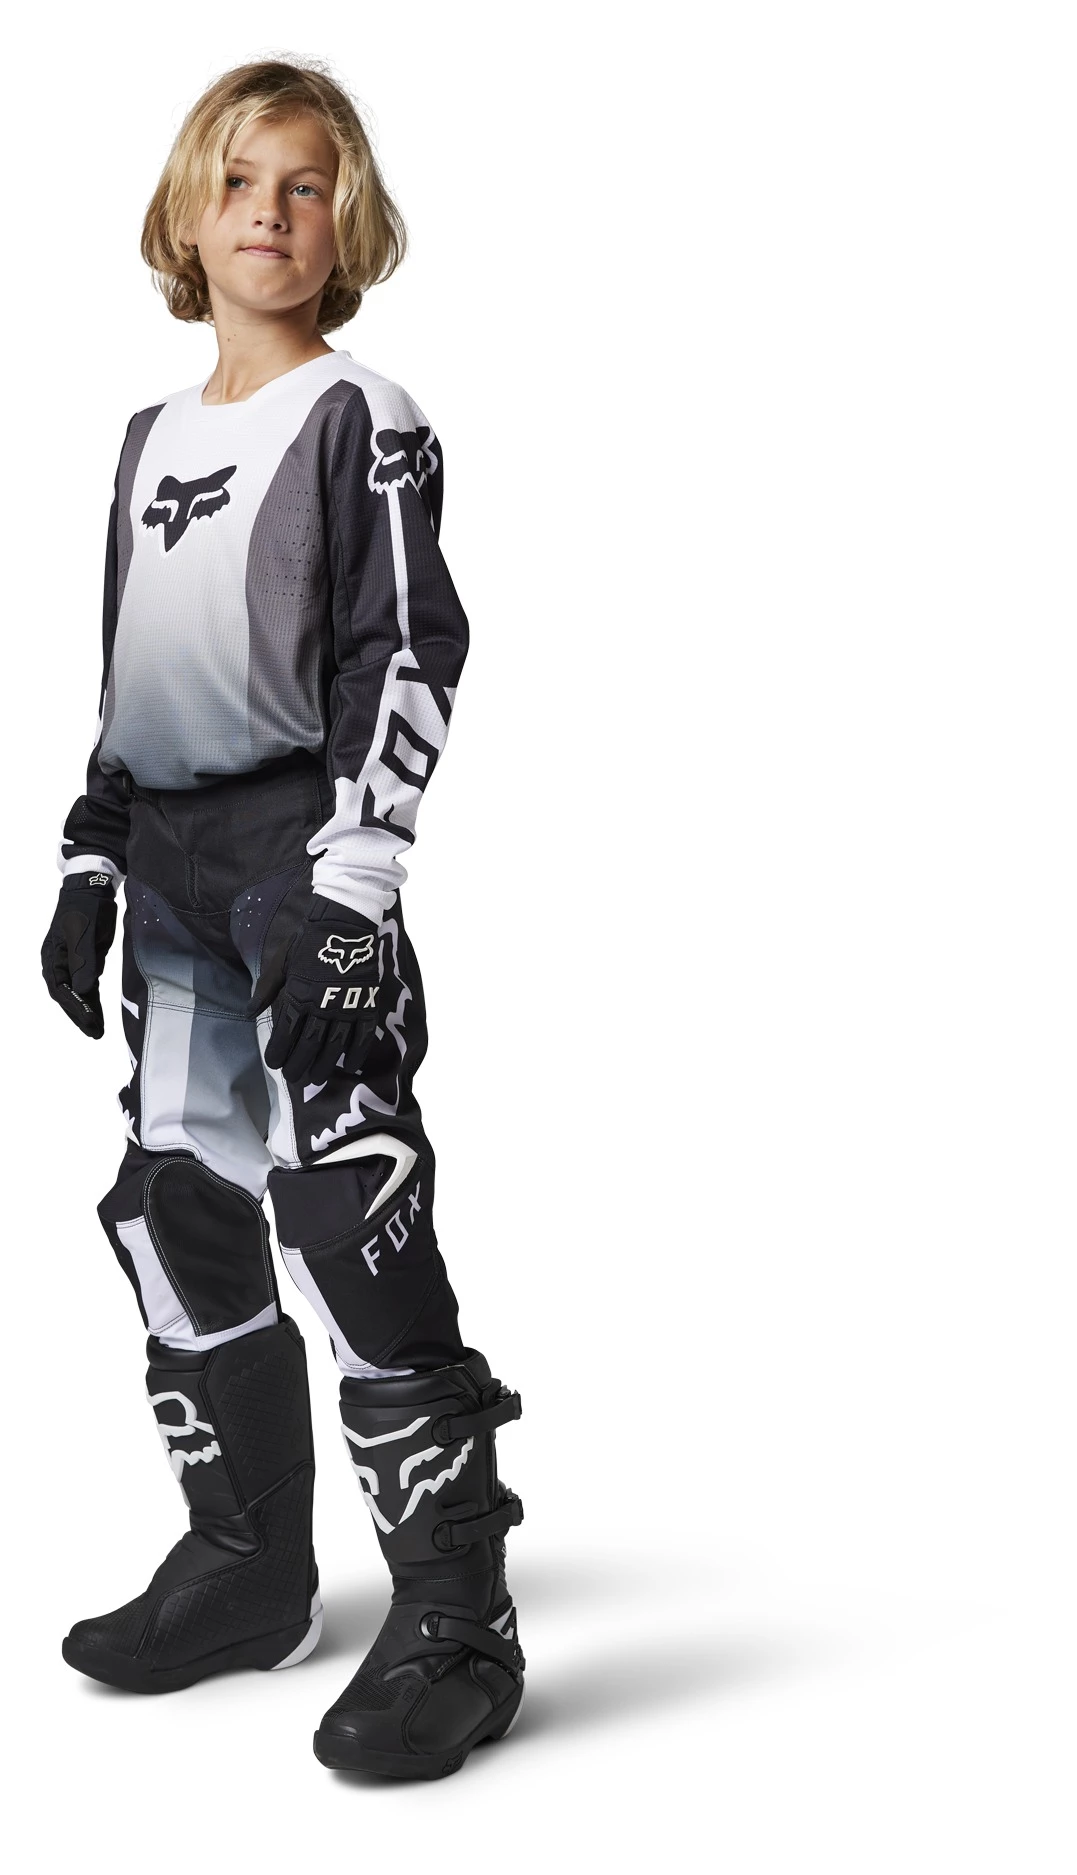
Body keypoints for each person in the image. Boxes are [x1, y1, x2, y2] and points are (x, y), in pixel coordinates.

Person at [39, 55, 524, 1780]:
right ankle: (249, 1561)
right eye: (240, 182)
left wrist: (357, 877)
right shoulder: (146, 440)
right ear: (187, 215)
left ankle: (459, 1613)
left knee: (344, 1205)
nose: (271, 213)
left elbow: (408, 650)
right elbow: (131, 676)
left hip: (299, 863)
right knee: (173, 1202)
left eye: (307, 186)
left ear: (348, 222)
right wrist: (91, 856)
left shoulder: (361, 417)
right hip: (171, 866)